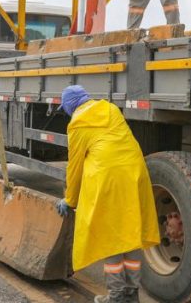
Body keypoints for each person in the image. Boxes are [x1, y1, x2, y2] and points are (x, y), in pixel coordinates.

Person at [56, 85, 160, 303]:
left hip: (108, 180)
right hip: (134, 173)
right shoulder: (111, 109)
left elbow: (75, 167)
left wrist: (70, 199)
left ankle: (116, 297)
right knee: (130, 234)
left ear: (69, 106)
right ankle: (132, 293)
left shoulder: (77, 124)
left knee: (110, 238)